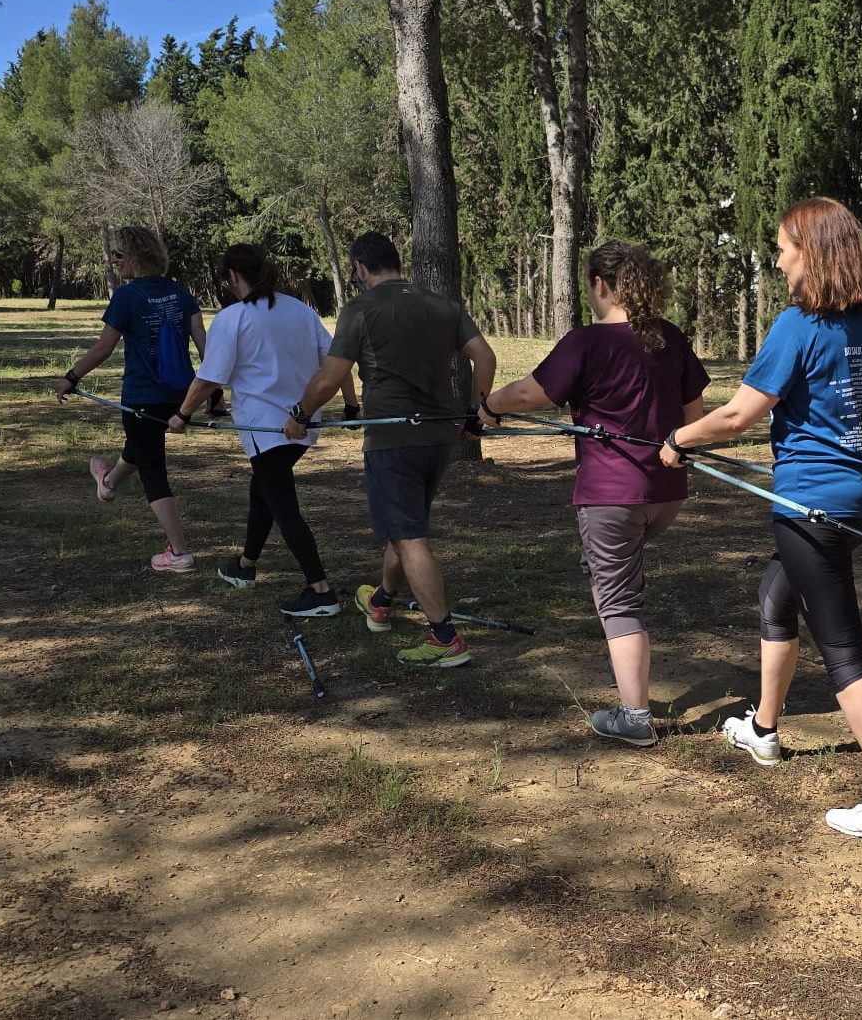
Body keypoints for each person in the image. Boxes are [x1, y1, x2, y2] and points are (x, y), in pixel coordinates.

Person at [658, 196, 862, 842]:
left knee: (843, 650)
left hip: (811, 507)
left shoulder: (797, 326)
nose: (778, 262)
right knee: (777, 593)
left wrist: (678, 439)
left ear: (815, 254)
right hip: (857, 502)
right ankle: (764, 729)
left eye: (784, 250)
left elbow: (737, 416)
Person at [481, 242, 708, 747]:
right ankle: (624, 661)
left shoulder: (588, 341)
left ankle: (635, 717)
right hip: (665, 494)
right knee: (609, 574)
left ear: (600, 285)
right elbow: (694, 411)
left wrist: (489, 406)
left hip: (611, 497)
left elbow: (530, 392)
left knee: (619, 599)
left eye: (590, 286)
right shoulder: (668, 337)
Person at [286, 232, 497, 668]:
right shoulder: (443, 305)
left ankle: (444, 637)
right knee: (404, 525)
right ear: (397, 264)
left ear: (360, 268)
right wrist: (477, 412)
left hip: (393, 441)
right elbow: (486, 357)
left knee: (407, 535)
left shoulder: (361, 309)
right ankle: (381, 600)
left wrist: (300, 414)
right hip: (438, 440)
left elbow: (330, 378)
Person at [165, 244, 341, 618]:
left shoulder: (233, 318)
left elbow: (209, 378)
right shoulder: (300, 309)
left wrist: (181, 414)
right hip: (303, 423)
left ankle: (321, 592)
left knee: (283, 506)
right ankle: (244, 566)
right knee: (262, 490)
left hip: (267, 428)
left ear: (232, 276)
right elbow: (332, 361)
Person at [55, 226, 207, 572]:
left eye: (118, 255)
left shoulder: (127, 296)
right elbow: (205, 347)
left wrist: (71, 377)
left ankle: (179, 553)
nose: (114, 261)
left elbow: (103, 348)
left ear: (135, 257)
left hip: (142, 397)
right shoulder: (180, 293)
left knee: (152, 468)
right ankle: (107, 482)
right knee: (140, 447)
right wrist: (209, 394)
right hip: (179, 397)